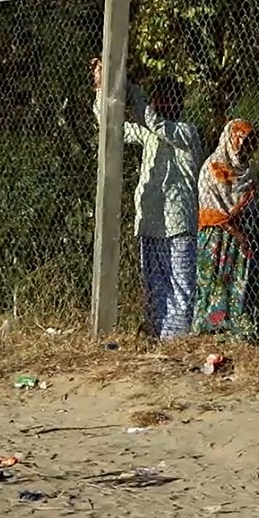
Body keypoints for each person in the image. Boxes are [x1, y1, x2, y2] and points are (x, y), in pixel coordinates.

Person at [90, 58, 202, 340]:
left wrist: (130, 87)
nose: (162, 104)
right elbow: (110, 127)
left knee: (181, 284)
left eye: (167, 99)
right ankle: (156, 335)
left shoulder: (186, 132)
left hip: (178, 223)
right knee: (154, 284)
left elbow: (151, 120)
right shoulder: (148, 135)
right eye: (158, 99)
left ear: (179, 102)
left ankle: (177, 340)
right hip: (151, 221)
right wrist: (102, 87)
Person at [193, 119, 259, 341]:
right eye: (244, 143)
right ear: (231, 142)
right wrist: (239, 235)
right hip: (217, 235)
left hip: (244, 233)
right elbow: (213, 208)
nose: (248, 149)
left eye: (252, 143)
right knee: (213, 280)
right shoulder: (212, 168)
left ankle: (236, 326)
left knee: (240, 280)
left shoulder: (247, 172)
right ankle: (209, 327)